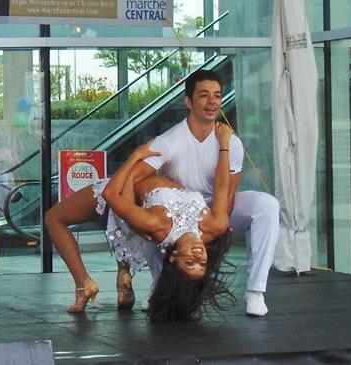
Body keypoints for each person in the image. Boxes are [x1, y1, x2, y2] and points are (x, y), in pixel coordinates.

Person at [45, 125, 235, 322]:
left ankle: (84, 284)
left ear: (174, 257)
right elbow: (222, 186)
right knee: (127, 220)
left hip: (118, 188)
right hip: (131, 194)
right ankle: (123, 276)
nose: (198, 255)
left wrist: (135, 156)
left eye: (189, 263)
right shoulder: (215, 225)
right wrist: (224, 145)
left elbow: (111, 194)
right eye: (202, 263)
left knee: (53, 218)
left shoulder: (157, 224)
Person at [136, 69, 280, 317]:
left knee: (267, 205)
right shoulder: (169, 141)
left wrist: (216, 229)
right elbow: (139, 181)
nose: (212, 101)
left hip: (216, 209)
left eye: (217, 95)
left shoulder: (231, 142)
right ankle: (159, 288)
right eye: (204, 95)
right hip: (178, 217)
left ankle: (256, 291)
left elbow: (228, 193)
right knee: (147, 230)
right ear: (188, 102)